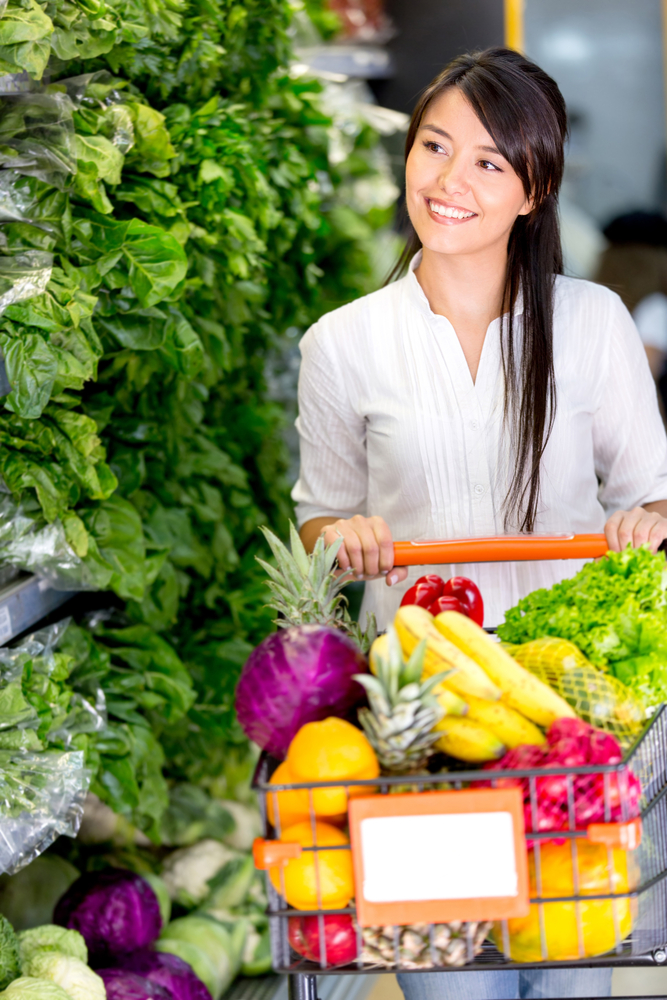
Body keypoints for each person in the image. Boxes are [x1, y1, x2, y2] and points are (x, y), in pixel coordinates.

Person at [291, 47, 667, 999]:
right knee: (452, 986)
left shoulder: (592, 324)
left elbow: (652, 493)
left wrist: (643, 522)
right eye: (433, 147)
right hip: (422, 734)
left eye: (489, 162)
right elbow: (315, 523)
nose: (448, 181)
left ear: (534, 187)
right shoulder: (343, 342)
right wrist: (343, 537)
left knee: (572, 979)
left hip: (571, 722)